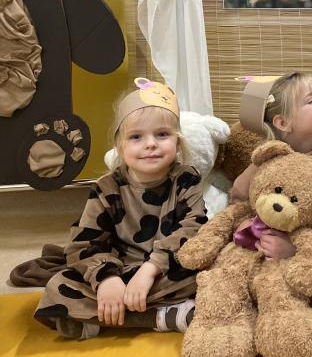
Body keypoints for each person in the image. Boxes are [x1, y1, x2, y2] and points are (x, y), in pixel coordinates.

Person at [34, 78, 205, 339]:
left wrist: (151, 268)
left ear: (178, 142)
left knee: (212, 274)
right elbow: (84, 244)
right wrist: (106, 278)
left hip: (167, 271)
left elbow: (195, 230)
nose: (150, 144)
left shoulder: (186, 179)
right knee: (57, 288)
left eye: (162, 134)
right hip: (121, 270)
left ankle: (110, 318)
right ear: (120, 146)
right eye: (136, 137)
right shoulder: (107, 188)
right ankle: (162, 316)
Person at [229, 73, 312, 258]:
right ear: (283, 122)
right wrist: (255, 235)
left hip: (311, 256)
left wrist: (295, 247)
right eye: (311, 100)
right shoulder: (267, 160)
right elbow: (238, 204)